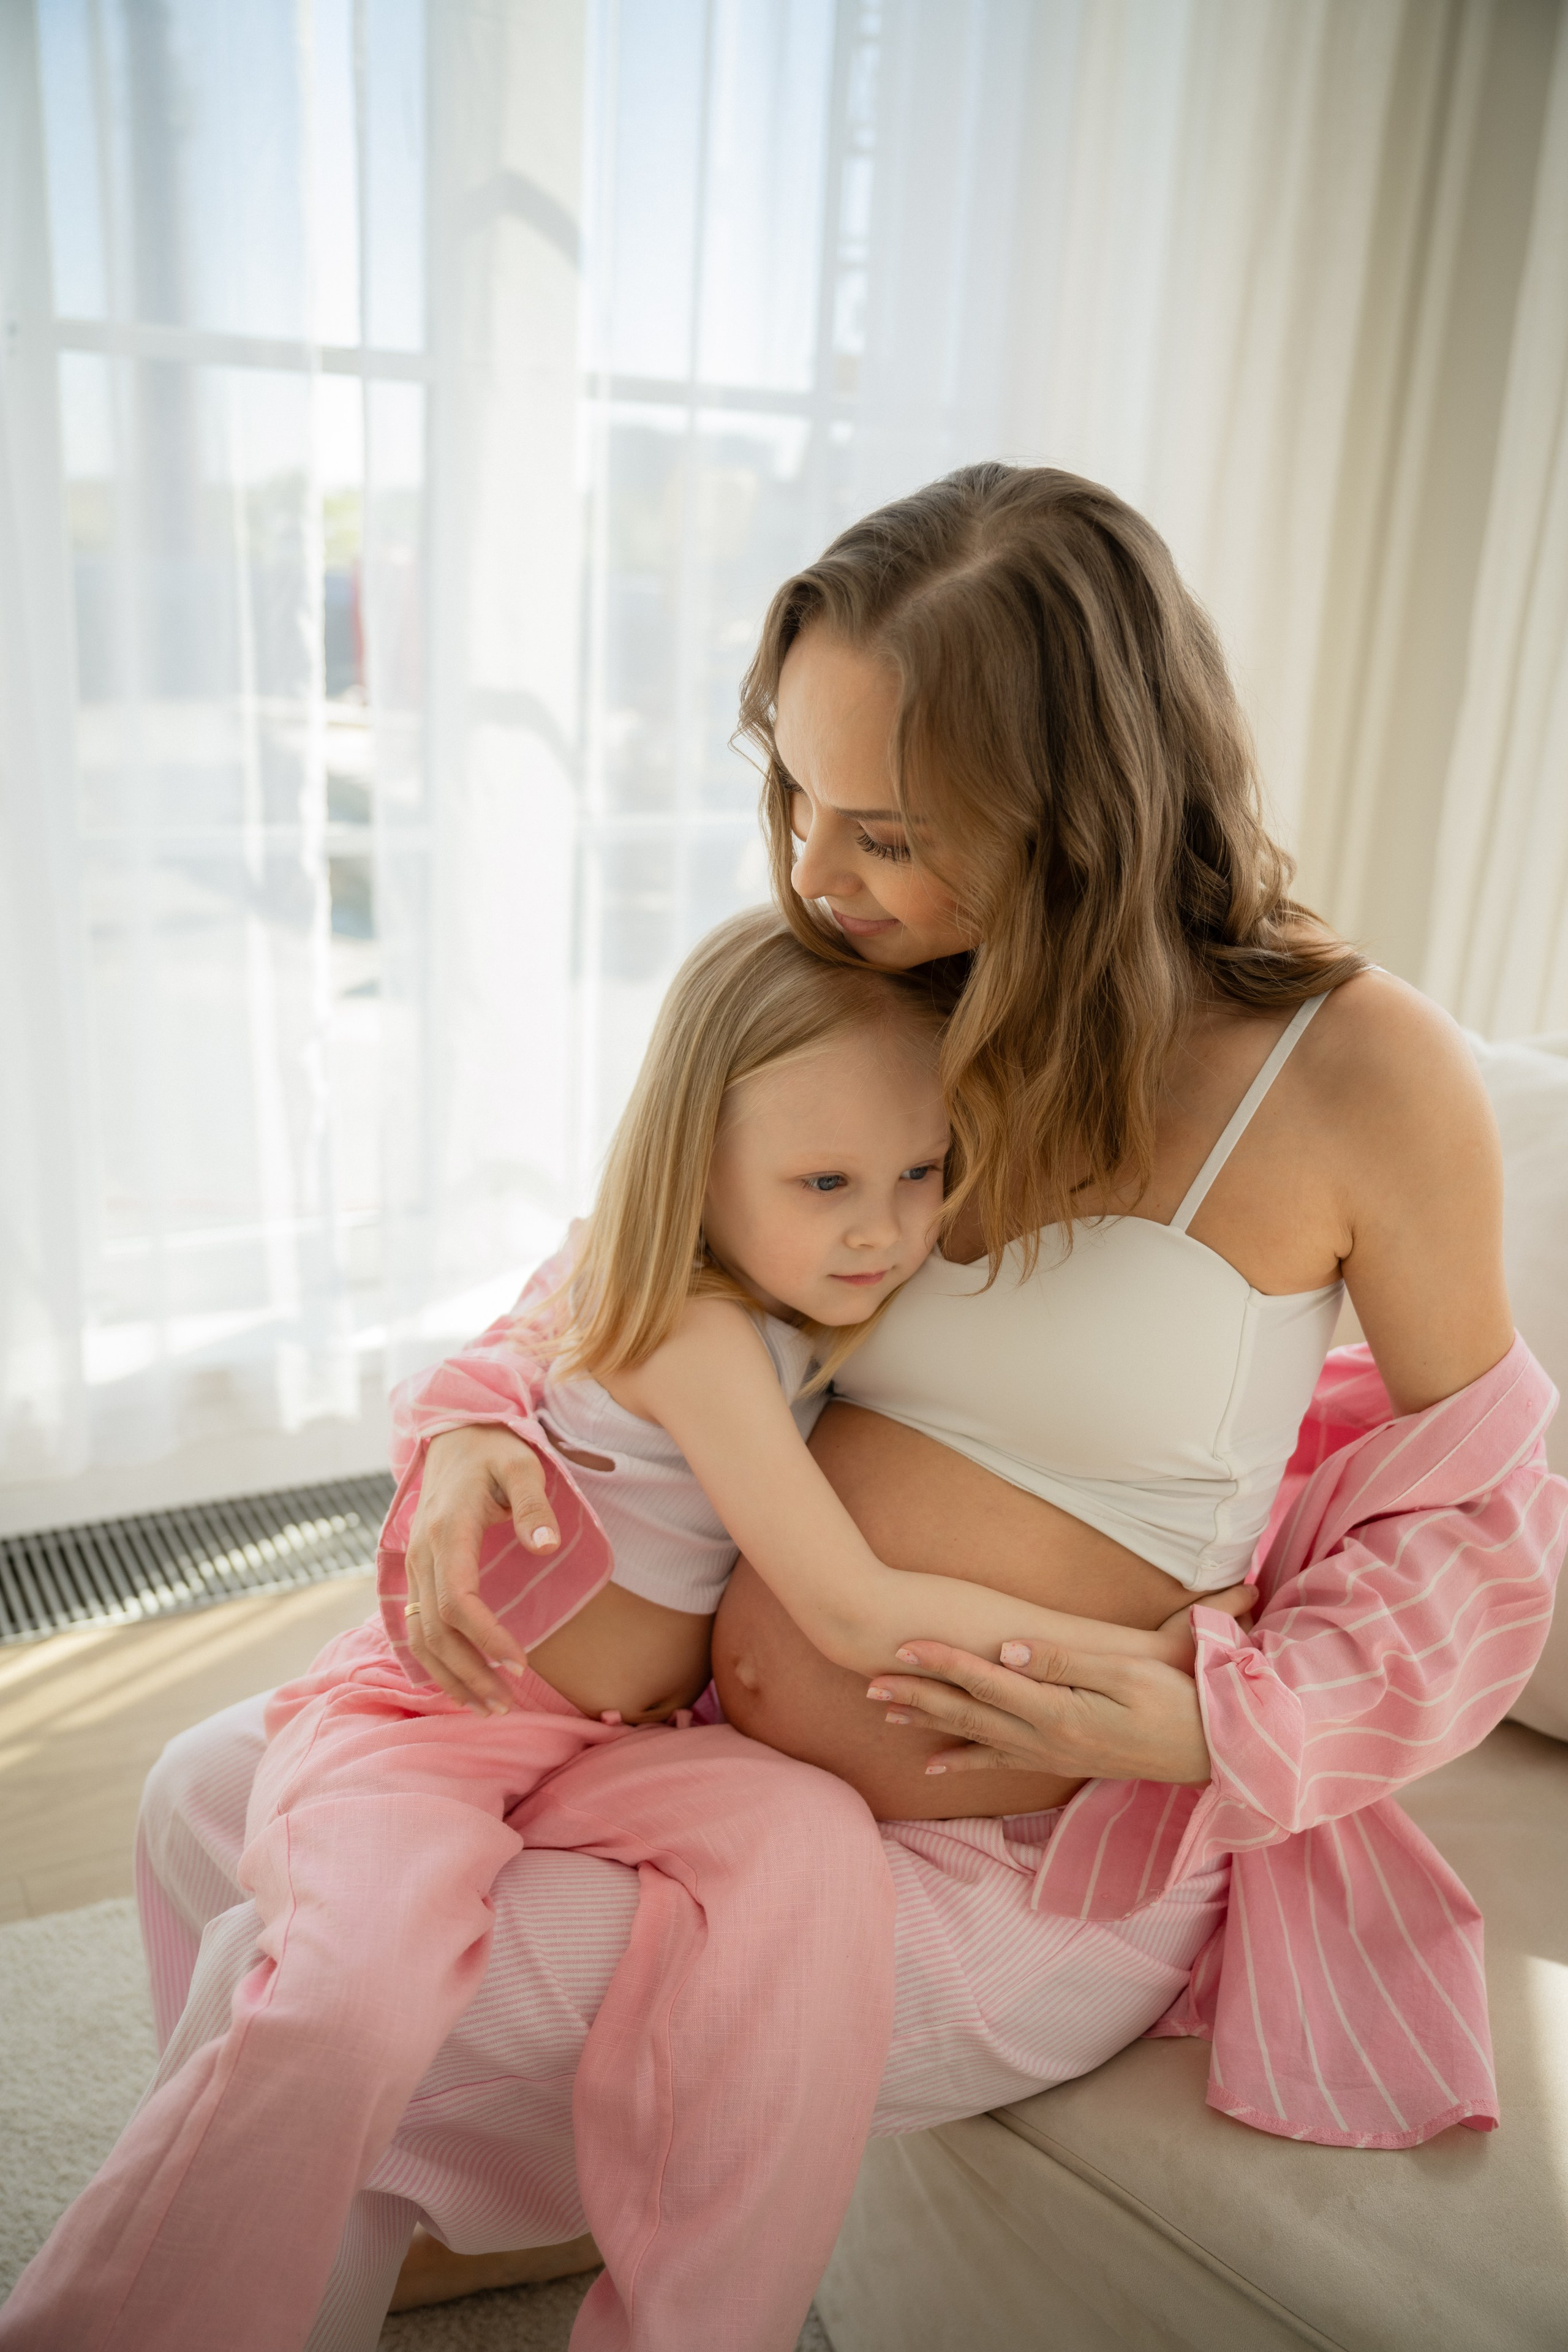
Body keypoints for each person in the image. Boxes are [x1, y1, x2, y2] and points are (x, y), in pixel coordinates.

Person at [118, 467, 1564, 2342]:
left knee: (321, 1963)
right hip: (704, 1731)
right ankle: (339, 2235)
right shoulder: (886, 985)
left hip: (1028, 1853)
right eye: (791, 789)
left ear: (1082, 813)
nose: (811, 869)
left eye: (881, 826)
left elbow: (1485, 1519)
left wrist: (1231, 1720)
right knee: (190, 1798)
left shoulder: (1356, 1072)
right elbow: (643, 1243)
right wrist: (482, 1414)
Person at [2, 907, 1250, 2352]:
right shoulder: (699, 1331)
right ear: (697, 1168)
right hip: (439, 1726)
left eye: (923, 1172)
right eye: (827, 1180)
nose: (886, 1226)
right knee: (348, 2000)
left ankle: (692, 2308)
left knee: (801, 1866)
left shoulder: (801, 1294)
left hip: (616, 1744)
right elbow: (848, 1605)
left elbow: (531, 1347)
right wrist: (1141, 1658)